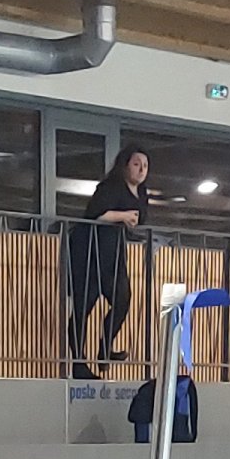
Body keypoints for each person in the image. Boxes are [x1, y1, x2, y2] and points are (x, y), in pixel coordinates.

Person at [66, 146, 150, 379]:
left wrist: (129, 219)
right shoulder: (110, 186)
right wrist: (123, 216)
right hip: (89, 250)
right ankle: (79, 363)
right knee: (84, 307)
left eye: (145, 166)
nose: (142, 170)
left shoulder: (142, 192)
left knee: (123, 298)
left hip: (114, 250)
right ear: (125, 165)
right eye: (136, 164)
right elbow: (95, 214)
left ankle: (105, 347)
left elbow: (140, 218)